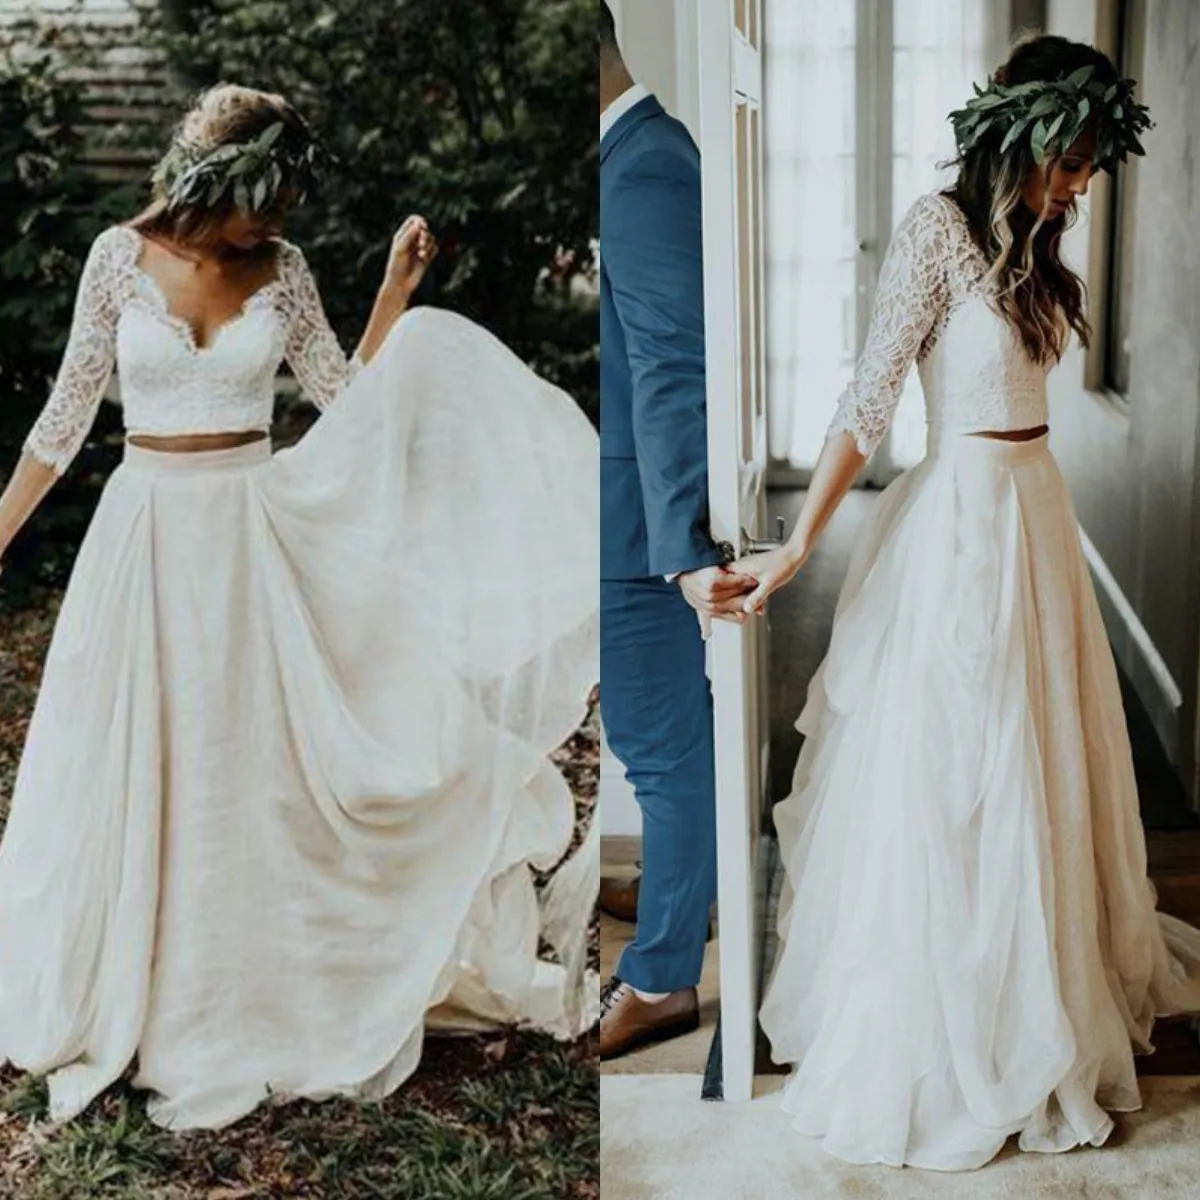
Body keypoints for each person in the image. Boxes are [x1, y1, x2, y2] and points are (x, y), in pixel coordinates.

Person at [0, 82, 599, 1131]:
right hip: (142, 537)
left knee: (241, 772)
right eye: (264, 201)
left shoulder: (283, 271)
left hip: (247, 541)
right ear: (212, 181)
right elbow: (63, 419)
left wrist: (391, 300)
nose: (276, 224)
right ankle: (126, 977)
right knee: (137, 757)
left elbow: (351, 408)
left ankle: (239, 986)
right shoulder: (115, 258)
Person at [733, 34, 1200, 1171]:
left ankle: (1049, 978)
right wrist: (798, 544)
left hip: (1039, 515)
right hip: (963, 528)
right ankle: (962, 1018)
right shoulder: (938, 231)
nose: (1083, 185)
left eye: (1092, 166)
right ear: (1025, 138)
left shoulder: (1037, 243)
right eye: (1072, 163)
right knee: (963, 767)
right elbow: (870, 391)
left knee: (1045, 762)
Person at [596, 6, 754, 1061]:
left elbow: (672, 364)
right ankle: (669, 911)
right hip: (618, 503)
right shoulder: (647, 152)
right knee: (650, 739)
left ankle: (661, 981)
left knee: (661, 747)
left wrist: (685, 546)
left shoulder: (643, 168)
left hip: (635, 523)